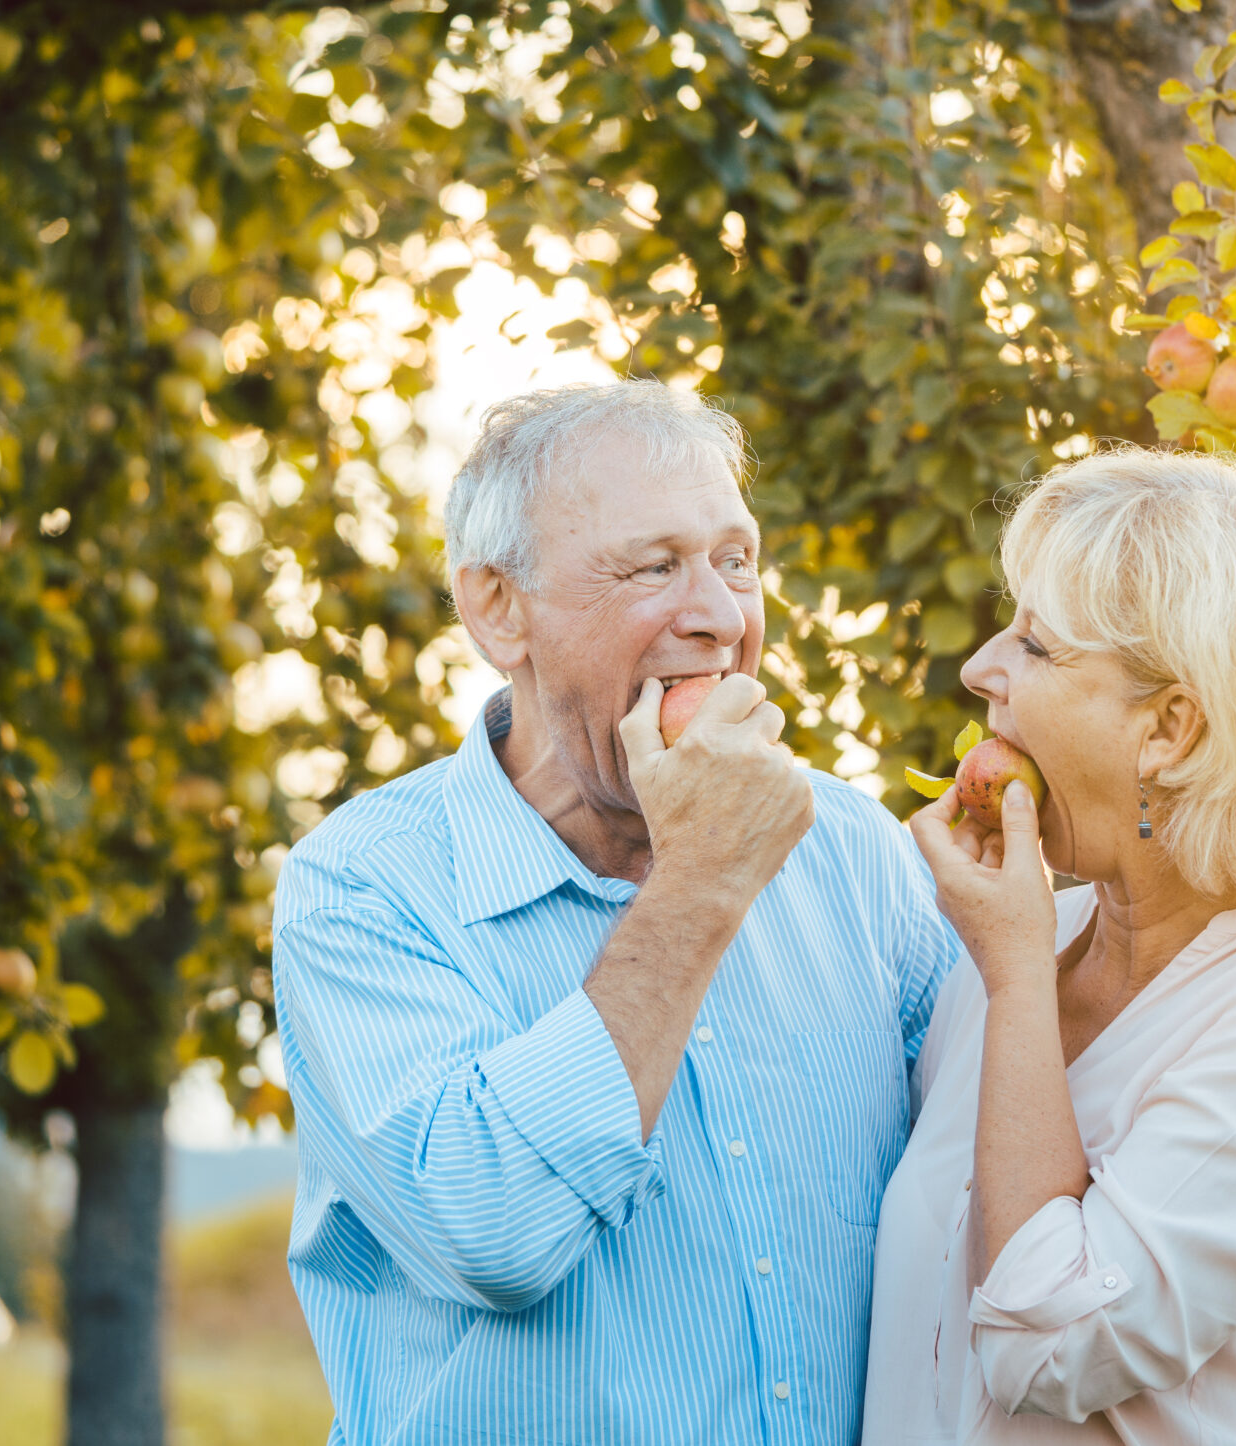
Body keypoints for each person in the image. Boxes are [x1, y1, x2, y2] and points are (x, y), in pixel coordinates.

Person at [268, 380, 958, 1444]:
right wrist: (699, 888)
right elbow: (490, 1228)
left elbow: (981, 1202)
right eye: (653, 567)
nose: (721, 618)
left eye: (736, 560)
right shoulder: (362, 888)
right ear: (499, 610)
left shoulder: (854, 852)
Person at [862, 447, 1236, 1444]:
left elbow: (1046, 1347)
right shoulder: (1035, 938)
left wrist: (1012, 976)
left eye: (1034, 648)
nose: (979, 670)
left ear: (1169, 729)